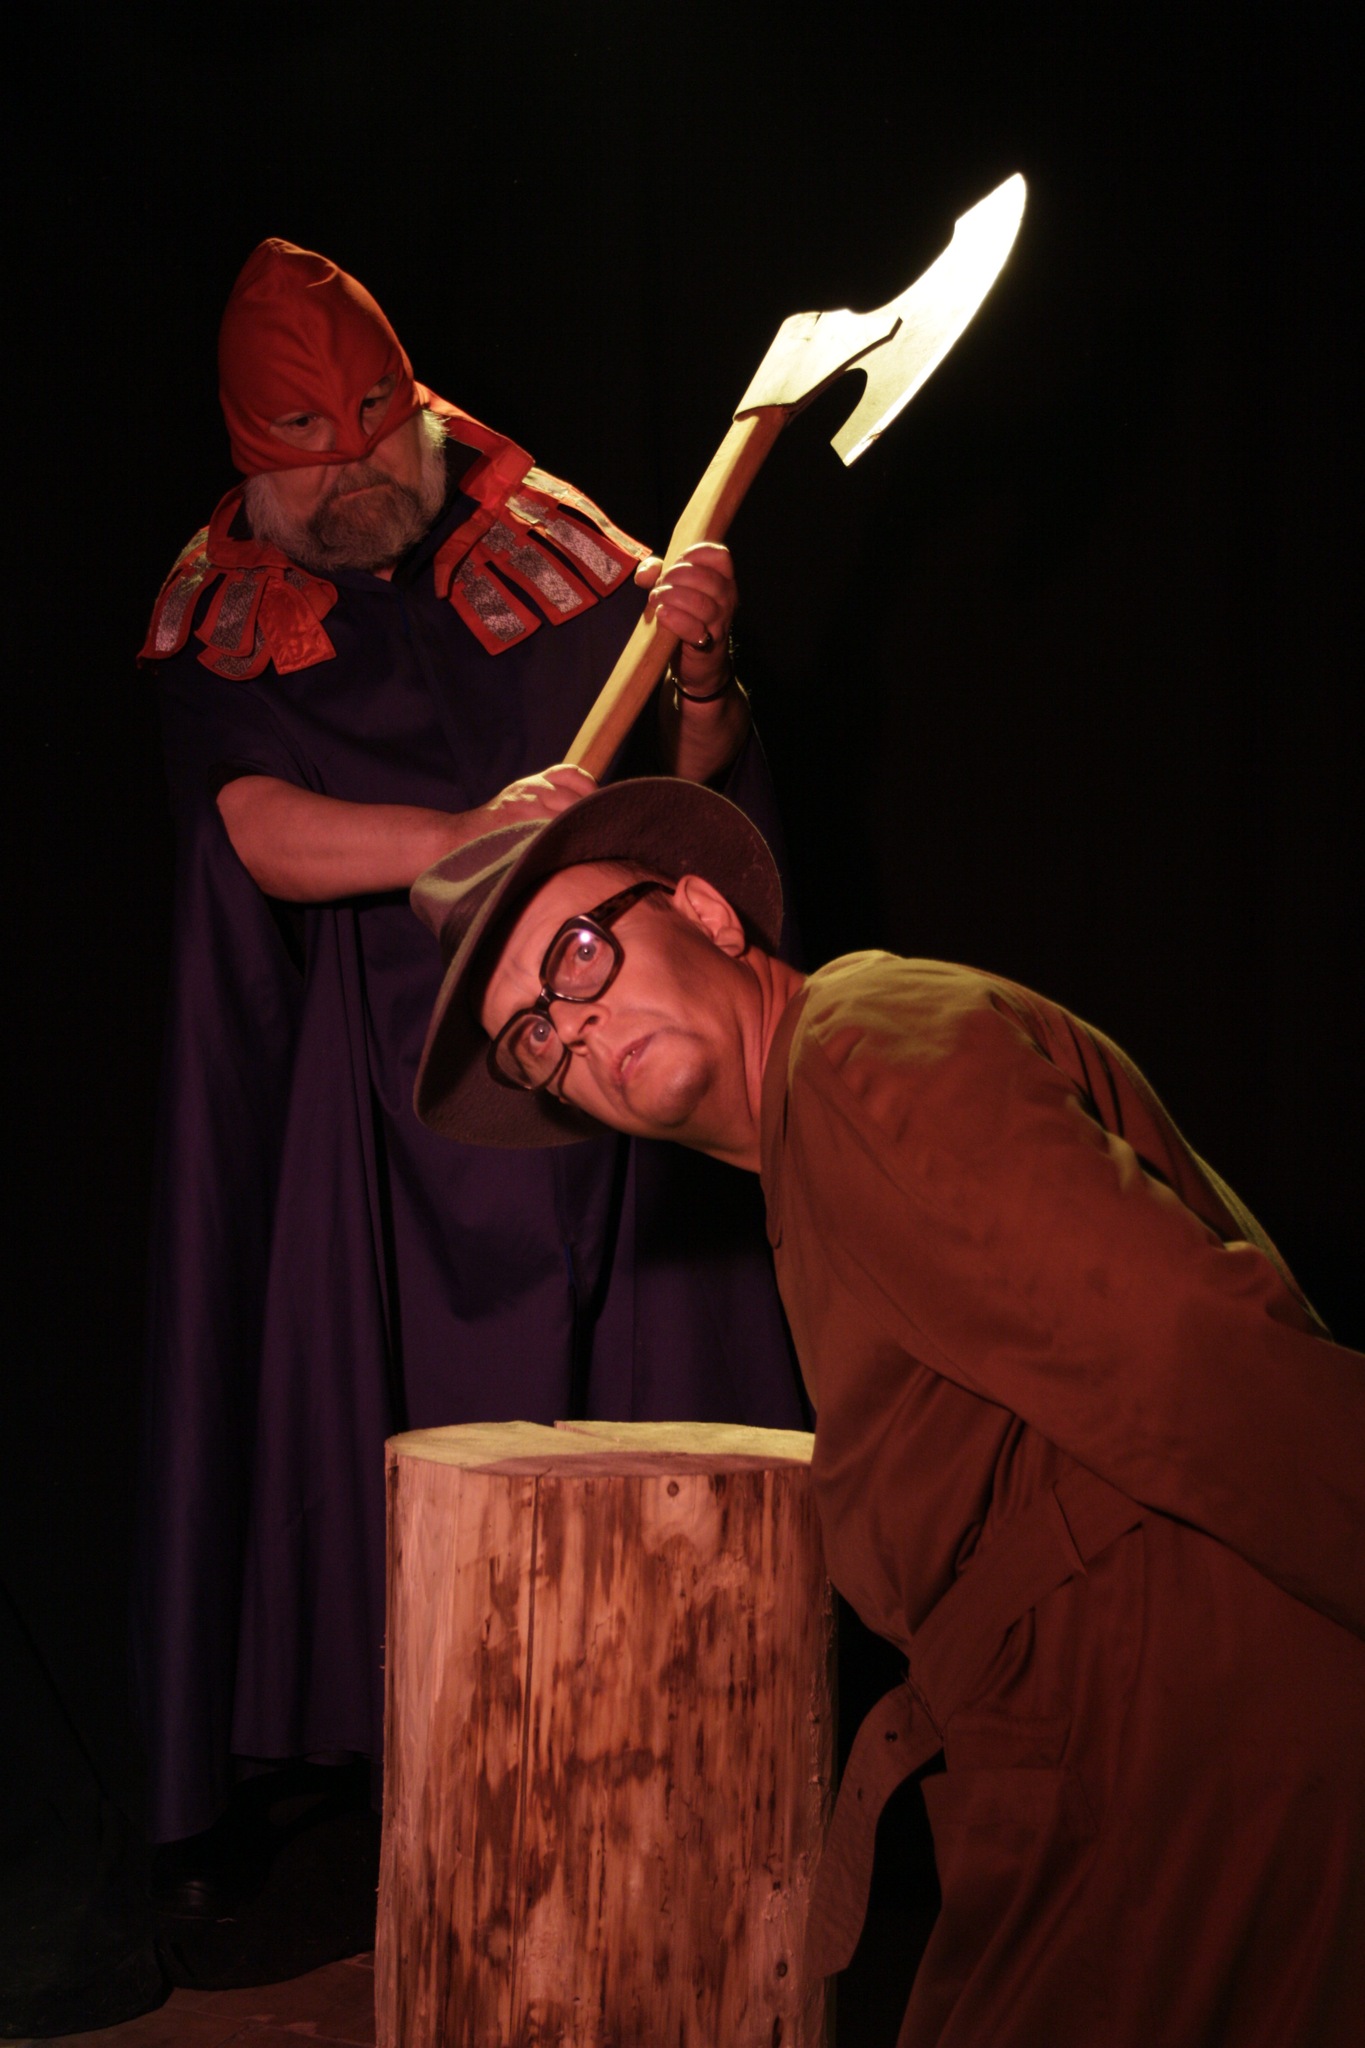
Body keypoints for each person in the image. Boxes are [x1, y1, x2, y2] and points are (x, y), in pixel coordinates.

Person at [409, 776, 1365, 2048]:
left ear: (707, 913)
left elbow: (1185, 1352)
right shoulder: (811, 1134)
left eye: (578, 954)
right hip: (1126, 1757)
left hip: (1186, 1747)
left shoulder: (856, 1049)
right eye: (534, 1037)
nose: (572, 1028)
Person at [136, 240, 805, 1874]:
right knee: (447, 1480)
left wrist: (701, 668)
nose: (359, 471)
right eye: (312, 446)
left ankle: (685, 1790)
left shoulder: (547, 534)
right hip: (393, 1094)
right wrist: (461, 838)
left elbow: (692, 772)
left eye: (379, 426)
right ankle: (476, 1815)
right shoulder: (220, 607)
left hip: (609, 1058)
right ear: (252, 455)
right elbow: (253, 832)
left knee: (665, 1422)